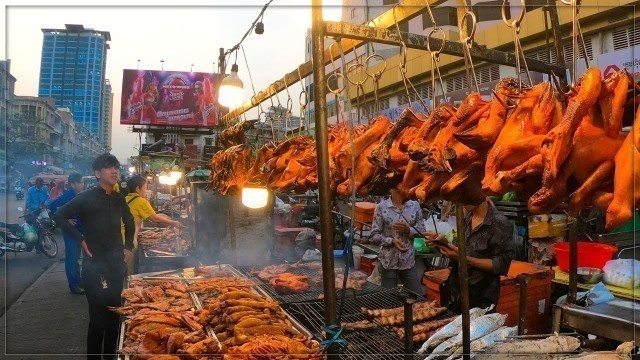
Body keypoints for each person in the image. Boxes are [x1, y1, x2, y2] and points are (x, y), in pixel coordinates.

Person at [53, 154, 135, 360]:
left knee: (115, 318)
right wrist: (80, 238)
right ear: (97, 173)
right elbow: (59, 215)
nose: (114, 171)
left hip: (116, 267)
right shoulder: (86, 197)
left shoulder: (118, 198)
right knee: (97, 321)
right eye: (109, 168)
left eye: (116, 167)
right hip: (94, 268)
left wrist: (128, 247)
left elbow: (130, 219)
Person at [426, 195, 515, 313]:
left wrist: (465, 259)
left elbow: (501, 265)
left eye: (466, 194)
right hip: (458, 289)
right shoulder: (467, 217)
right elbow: (462, 248)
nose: (461, 200)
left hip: (482, 295)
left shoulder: (499, 223)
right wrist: (443, 243)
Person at [360, 188, 425, 295]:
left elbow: (422, 232)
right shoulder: (381, 207)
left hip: (408, 261)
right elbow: (374, 235)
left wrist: (408, 230)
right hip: (388, 262)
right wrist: (391, 241)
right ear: (392, 189)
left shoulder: (414, 206)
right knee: (390, 299)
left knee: (416, 297)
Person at [124, 175, 181, 275]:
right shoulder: (141, 201)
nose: (146, 192)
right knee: (129, 270)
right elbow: (154, 219)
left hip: (119, 239)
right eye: (145, 188)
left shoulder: (124, 199)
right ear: (137, 189)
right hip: (129, 240)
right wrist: (173, 222)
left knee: (122, 268)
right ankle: (127, 288)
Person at [49, 173, 85, 295]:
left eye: (82, 182)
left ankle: (78, 281)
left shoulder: (78, 195)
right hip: (70, 232)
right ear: (73, 184)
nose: (82, 184)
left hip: (78, 232)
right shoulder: (68, 195)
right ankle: (73, 285)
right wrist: (66, 220)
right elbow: (53, 206)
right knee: (71, 258)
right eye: (80, 182)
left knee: (76, 258)